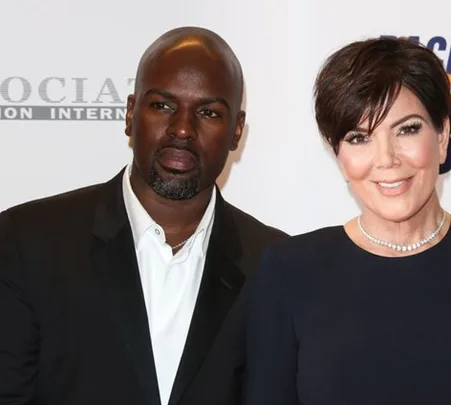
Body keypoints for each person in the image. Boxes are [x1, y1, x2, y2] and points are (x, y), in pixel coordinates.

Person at [244, 36, 451, 404]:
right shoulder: (290, 270)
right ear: (338, 154)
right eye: (359, 138)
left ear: (442, 135)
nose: (387, 158)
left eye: (407, 129)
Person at [0, 27, 286, 405]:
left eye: (208, 112)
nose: (182, 129)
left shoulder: (276, 265)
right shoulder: (27, 241)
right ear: (130, 113)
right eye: (162, 106)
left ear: (236, 132)